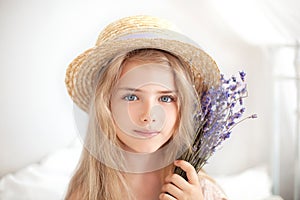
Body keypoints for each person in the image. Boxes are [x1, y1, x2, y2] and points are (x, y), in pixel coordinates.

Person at [65, 15, 227, 200]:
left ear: (183, 109)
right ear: (106, 106)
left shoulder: (198, 190)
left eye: (166, 98)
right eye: (131, 97)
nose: (149, 115)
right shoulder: (89, 192)